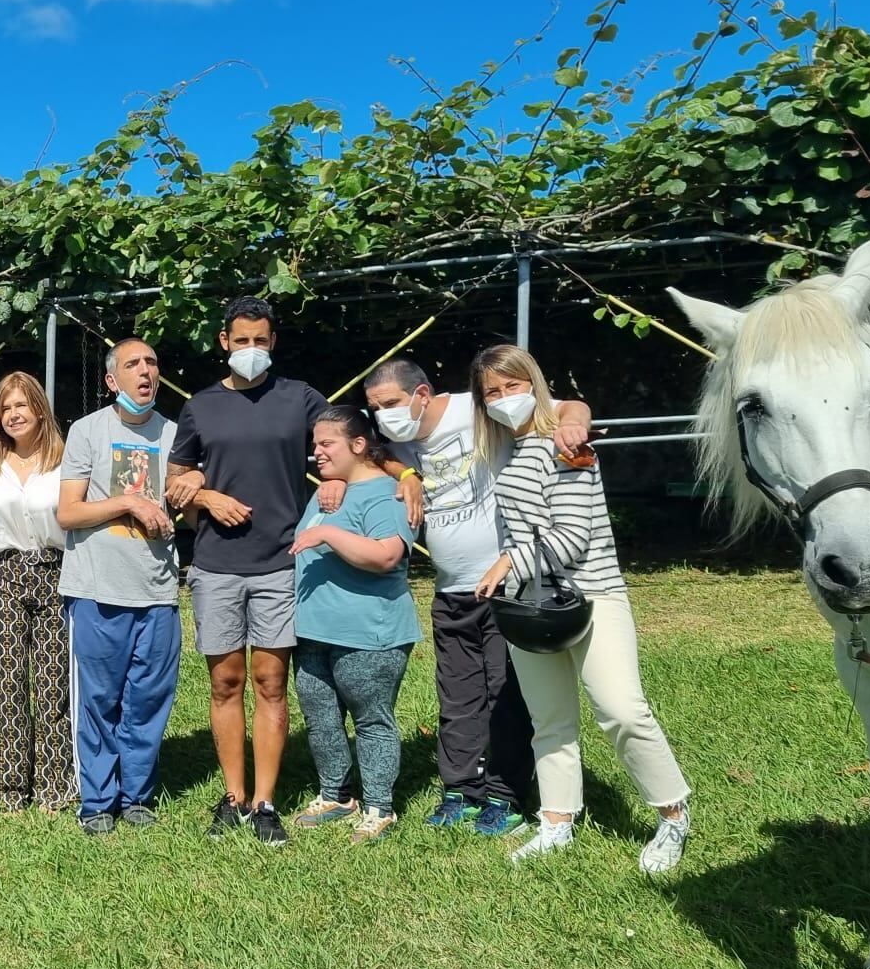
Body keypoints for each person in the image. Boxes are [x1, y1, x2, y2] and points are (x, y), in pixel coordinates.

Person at [469, 344, 693, 873]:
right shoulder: (506, 450)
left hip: (591, 594)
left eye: (514, 386)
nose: (504, 398)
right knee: (549, 718)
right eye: (492, 393)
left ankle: (672, 814)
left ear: (534, 384)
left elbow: (572, 537)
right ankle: (556, 821)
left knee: (622, 710)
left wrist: (508, 563)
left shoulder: (568, 445)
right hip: (531, 604)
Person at [365, 359, 591, 836]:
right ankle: (461, 790)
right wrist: (406, 473)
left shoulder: (478, 407)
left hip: (504, 586)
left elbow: (568, 406)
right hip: (450, 590)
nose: (384, 415)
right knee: (457, 695)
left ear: (421, 394)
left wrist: (573, 425)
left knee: (505, 695)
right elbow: (373, 454)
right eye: (375, 407)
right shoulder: (400, 440)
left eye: (390, 403)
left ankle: (506, 795)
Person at [168, 296, 360, 846]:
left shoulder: (301, 399)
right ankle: (232, 797)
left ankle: (265, 801)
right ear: (223, 342)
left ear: (272, 342)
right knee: (225, 682)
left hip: (281, 561)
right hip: (216, 567)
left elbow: (346, 447)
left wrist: (340, 478)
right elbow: (175, 482)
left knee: (271, 684)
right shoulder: (200, 406)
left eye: (260, 340)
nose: (251, 349)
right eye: (241, 340)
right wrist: (205, 495)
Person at [56, 339, 182, 833]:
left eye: (151, 362)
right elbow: (69, 512)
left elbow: (188, 506)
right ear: (112, 381)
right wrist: (130, 503)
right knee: (98, 700)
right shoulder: (87, 431)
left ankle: (136, 796)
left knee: (148, 699)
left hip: (157, 589)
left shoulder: (175, 434)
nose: (145, 371)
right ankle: (97, 801)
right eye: (133, 364)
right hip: (97, 589)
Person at [286, 407, 420, 844]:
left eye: (327, 444)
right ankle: (336, 796)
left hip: (368, 634)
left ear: (359, 445)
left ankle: (380, 806)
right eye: (316, 444)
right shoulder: (329, 491)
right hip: (314, 632)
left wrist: (329, 535)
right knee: (321, 719)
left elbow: (386, 555)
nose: (318, 452)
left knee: (371, 720)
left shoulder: (388, 495)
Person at [0, 372, 74, 813]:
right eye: (6, 408)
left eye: (21, 406)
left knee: (54, 682)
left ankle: (56, 785)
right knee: (7, 682)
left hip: (56, 572)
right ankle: (10, 789)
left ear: (40, 410)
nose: (13, 415)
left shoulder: (65, 459)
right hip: (4, 573)